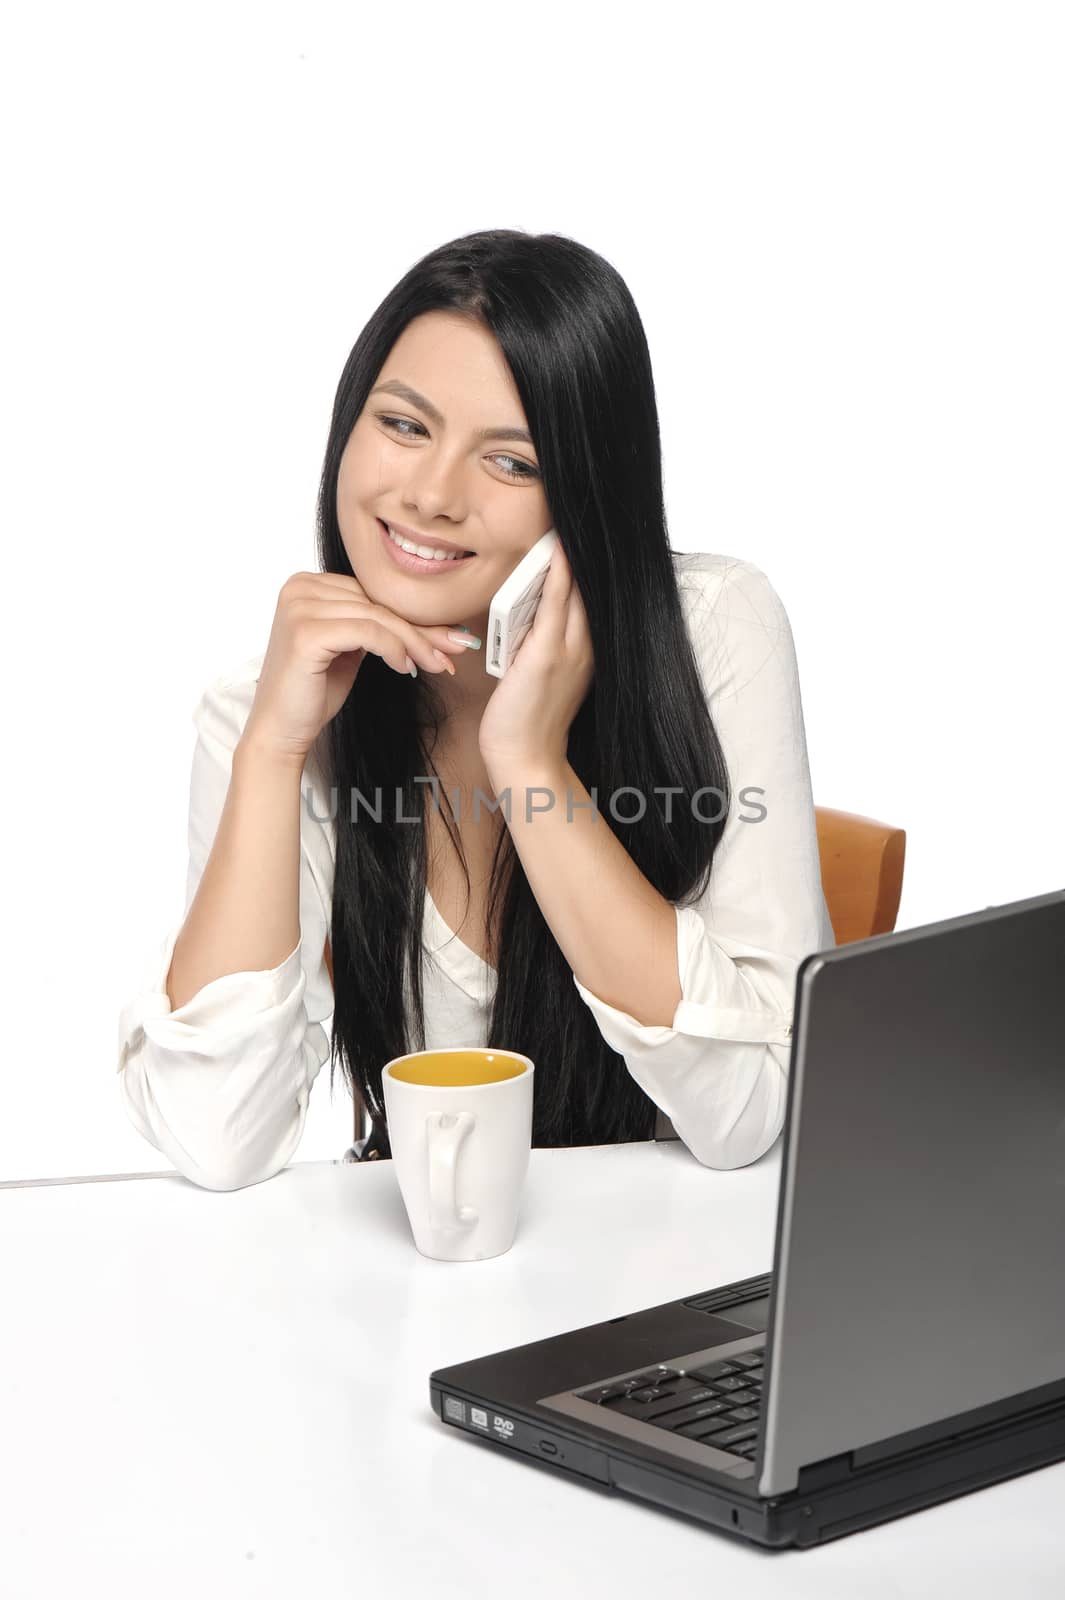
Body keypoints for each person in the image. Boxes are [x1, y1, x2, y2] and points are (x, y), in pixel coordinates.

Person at [117, 227, 834, 1192]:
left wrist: (531, 765)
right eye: (404, 426)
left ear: (586, 496)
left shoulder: (711, 630)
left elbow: (746, 1113)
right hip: (428, 1278)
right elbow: (215, 1139)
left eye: (512, 463)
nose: (428, 496)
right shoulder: (270, 707)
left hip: (666, 1281)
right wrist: (274, 752)